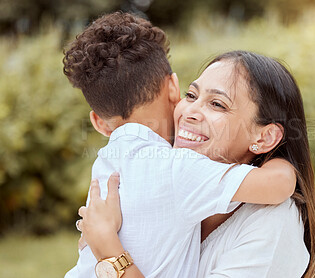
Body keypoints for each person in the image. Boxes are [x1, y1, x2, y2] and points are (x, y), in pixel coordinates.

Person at [63, 12, 298, 278]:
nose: (190, 112)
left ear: (99, 123)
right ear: (173, 88)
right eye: (191, 95)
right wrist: (283, 162)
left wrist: (109, 251)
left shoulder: (106, 166)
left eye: (217, 104)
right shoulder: (180, 170)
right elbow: (278, 184)